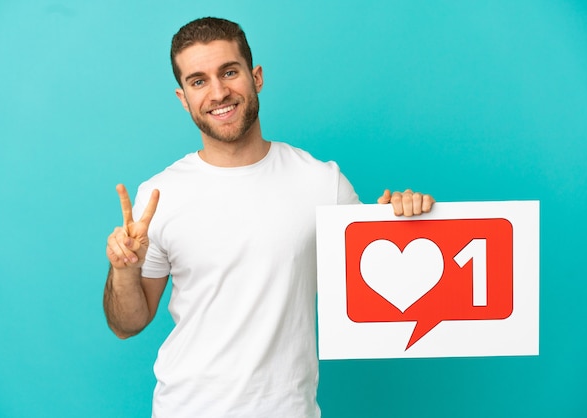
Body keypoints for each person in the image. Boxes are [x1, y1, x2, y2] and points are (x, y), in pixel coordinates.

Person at [103, 17, 434, 418]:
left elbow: (378, 283)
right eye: (198, 81)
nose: (218, 92)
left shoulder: (322, 183)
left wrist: (403, 221)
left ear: (256, 76)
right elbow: (126, 324)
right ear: (183, 98)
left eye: (229, 72)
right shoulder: (160, 196)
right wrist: (123, 268)